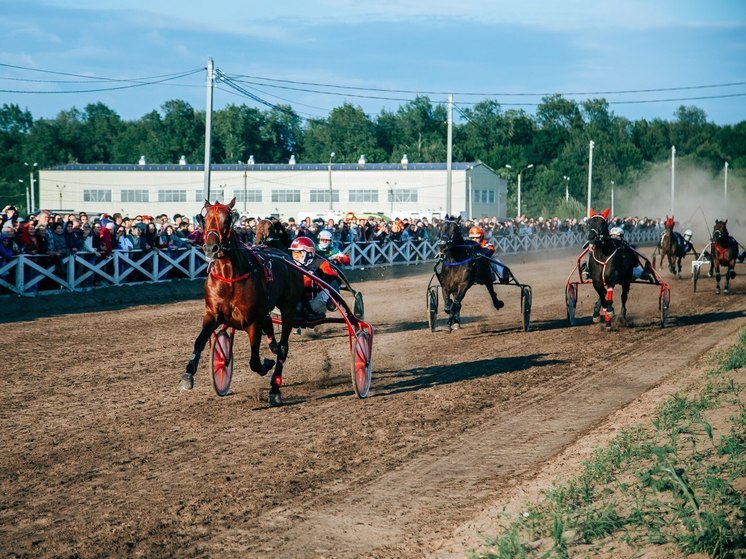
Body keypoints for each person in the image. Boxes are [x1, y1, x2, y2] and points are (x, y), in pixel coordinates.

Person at [290, 236, 343, 317]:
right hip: (294, 304)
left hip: (314, 305)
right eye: (294, 253)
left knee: (329, 287)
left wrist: (333, 299)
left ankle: (333, 301)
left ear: (308, 253)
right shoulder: (290, 265)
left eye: (298, 253)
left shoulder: (321, 263)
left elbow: (335, 279)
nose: (295, 257)